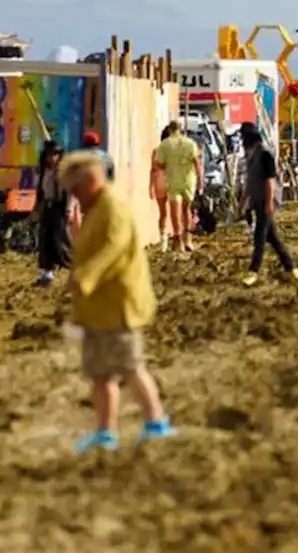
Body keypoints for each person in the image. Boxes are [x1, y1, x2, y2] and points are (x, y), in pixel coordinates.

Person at [60, 151, 175, 454]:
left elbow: (113, 249)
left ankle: (156, 422)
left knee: (130, 367)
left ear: (92, 182)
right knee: (100, 373)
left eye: (75, 190)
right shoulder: (95, 209)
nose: (73, 197)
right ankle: (105, 432)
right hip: (97, 309)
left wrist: (85, 277)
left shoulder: (113, 208)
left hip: (119, 305)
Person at [240, 123, 298, 287]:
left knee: (259, 237)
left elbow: (270, 182)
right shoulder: (251, 157)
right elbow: (250, 182)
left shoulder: (265, 155)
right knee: (272, 238)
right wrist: (243, 202)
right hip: (257, 201)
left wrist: (269, 202)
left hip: (266, 202)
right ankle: (292, 267)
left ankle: (253, 271)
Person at [154, 121, 202, 253]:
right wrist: (200, 181)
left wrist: (168, 167)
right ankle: (188, 239)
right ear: (181, 130)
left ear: (170, 130)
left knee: (175, 213)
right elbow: (197, 163)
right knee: (186, 210)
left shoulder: (165, 145)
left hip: (173, 181)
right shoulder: (190, 143)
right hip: (188, 181)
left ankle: (178, 240)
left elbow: (158, 164)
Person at [33, 140, 72, 286]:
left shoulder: (63, 171)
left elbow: (69, 192)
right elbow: (42, 192)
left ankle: (76, 268)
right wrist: (36, 209)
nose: (52, 157)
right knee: (44, 240)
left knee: (59, 241)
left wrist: (69, 208)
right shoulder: (44, 170)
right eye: (49, 154)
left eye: (55, 154)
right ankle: (46, 274)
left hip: (59, 208)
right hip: (47, 207)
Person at [149, 126, 171, 252]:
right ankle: (176, 237)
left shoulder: (156, 151)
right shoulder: (173, 151)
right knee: (175, 211)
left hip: (159, 181)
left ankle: (164, 242)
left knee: (163, 213)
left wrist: (150, 186)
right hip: (172, 181)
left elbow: (152, 170)